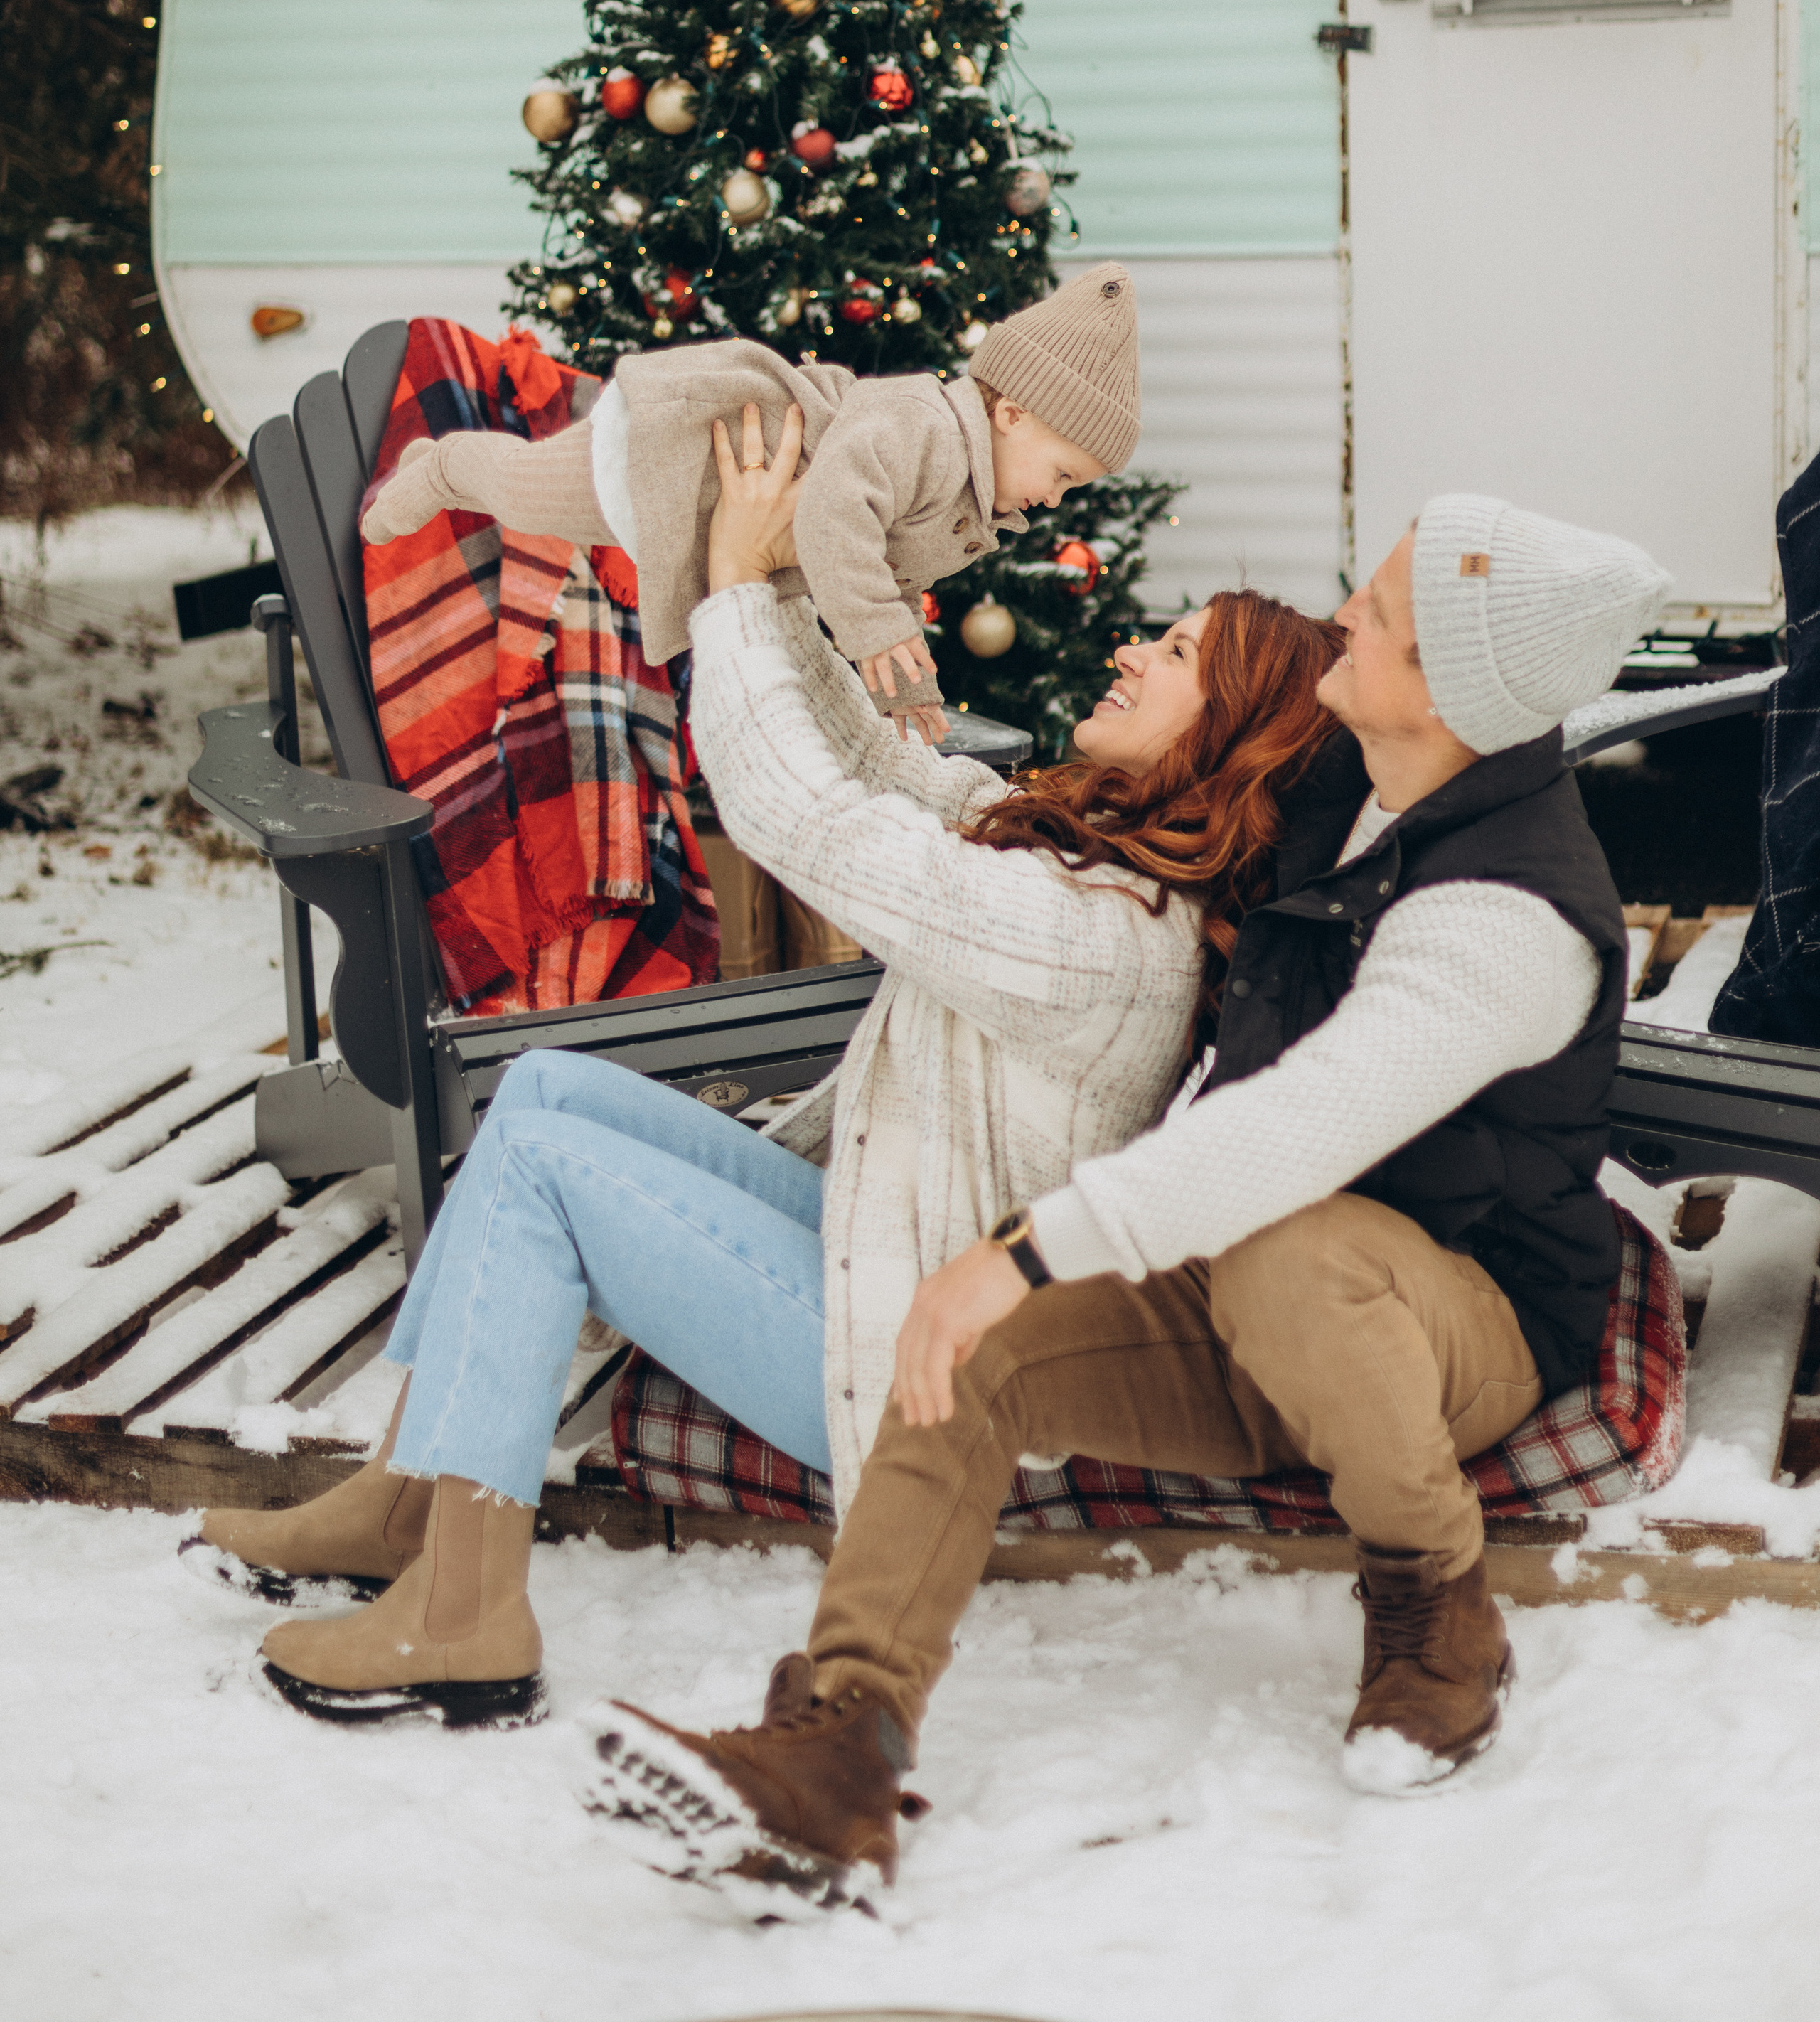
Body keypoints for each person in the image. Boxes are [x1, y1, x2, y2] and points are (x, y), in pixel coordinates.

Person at [581, 487, 1673, 1900]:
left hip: (1444, 1323)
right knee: (965, 1343)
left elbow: (1294, 1129)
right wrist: (802, 588)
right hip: (1240, 1303)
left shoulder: (1506, 919)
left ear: (1452, 692)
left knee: (1282, 1244)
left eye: (1383, 617)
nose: (1343, 611)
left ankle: (1431, 1601)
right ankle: (838, 1753)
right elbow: (1057, 793)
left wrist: (1027, 1250)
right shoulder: (1341, 777)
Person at [186, 405, 1345, 1728]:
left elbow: (804, 817)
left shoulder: (1104, 938)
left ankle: (467, 1615)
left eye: (1180, 652)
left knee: (547, 1169)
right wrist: (772, 572)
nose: (1137, 648)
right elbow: (867, 760)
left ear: (1229, 737)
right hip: (875, 1239)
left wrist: (733, 583)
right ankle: (408, 1498)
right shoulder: (1080, 852)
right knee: (549, 1094)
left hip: (895, 1361)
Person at [361, 260, 1142, 738]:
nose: (1056, 499)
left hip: (714, 501)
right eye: (1063, 474)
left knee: (541, 506)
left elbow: (887, 580)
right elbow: (838, 510)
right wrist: (869, 632)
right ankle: (446, 466)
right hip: (678, 457)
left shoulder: (964, 496)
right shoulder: (926, 427)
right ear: (1011, 415)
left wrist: (903, 680)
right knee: (527, 494)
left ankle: (456, 468)